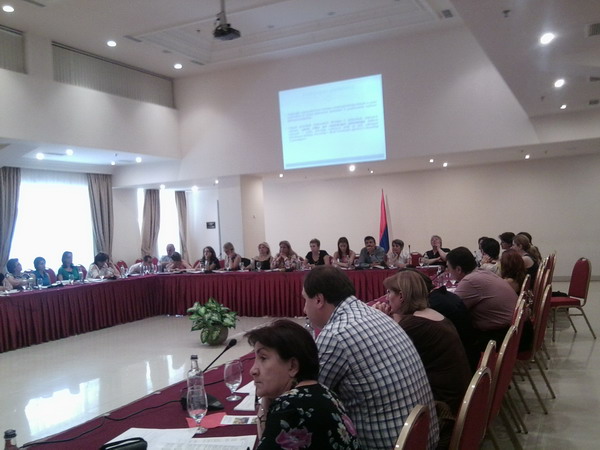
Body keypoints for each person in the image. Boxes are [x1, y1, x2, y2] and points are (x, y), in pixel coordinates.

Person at [302, 266, 438, 450]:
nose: (304, 309)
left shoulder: (335, 334)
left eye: (305, 300)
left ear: (319, 300)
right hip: (423, 438)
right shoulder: (375, 314)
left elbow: (307, 401)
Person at [247, 319, 360, 450]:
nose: (252, 370)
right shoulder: (324, 392)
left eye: (263, 358)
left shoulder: (289, 407)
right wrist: (267, 398)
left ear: (293, 366)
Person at [379, 271, 471, 415]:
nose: (386, 298)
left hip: (443, 406)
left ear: (401, 296)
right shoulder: (427, 315)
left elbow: (384, 354)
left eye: (389, 292)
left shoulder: (414, 325)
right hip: (458, 395)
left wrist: (382, 319)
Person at [446, 247, 518, 357]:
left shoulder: (470, 280)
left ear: (458, 269)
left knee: (451, 336)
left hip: (502, 337)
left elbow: (452, 309)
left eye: (448, 267)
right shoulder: (483, 272)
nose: (448, 271)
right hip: (514, 331)